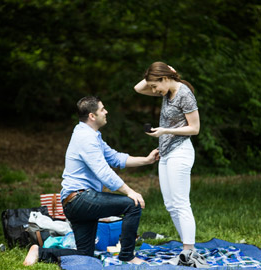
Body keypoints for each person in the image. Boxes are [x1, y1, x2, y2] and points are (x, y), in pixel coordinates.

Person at [23, 96, 159, 266]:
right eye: (102, 109)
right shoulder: (85, 138)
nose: (106, 111)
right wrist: (130, 192)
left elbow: (115, 158)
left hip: (77, 201)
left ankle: (39, 251)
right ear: (92, 116)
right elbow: (103, 172)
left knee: (84, 254)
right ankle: (127, 256)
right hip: (80, 199)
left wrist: (146, 160)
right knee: (133, 205)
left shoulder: (92, 136)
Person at [134, 62, 204, 264]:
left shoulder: (184, 94)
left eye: (155, 86)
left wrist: (165, 131)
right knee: (171, 205)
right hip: (166, 153)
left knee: (181, 203)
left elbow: (195, 128)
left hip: (180, 152)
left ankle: (188, 250)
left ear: (164, 79)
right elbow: (138, 88)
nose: (153, 91)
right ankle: (188, 248)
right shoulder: (166, 91)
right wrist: (166, 69)